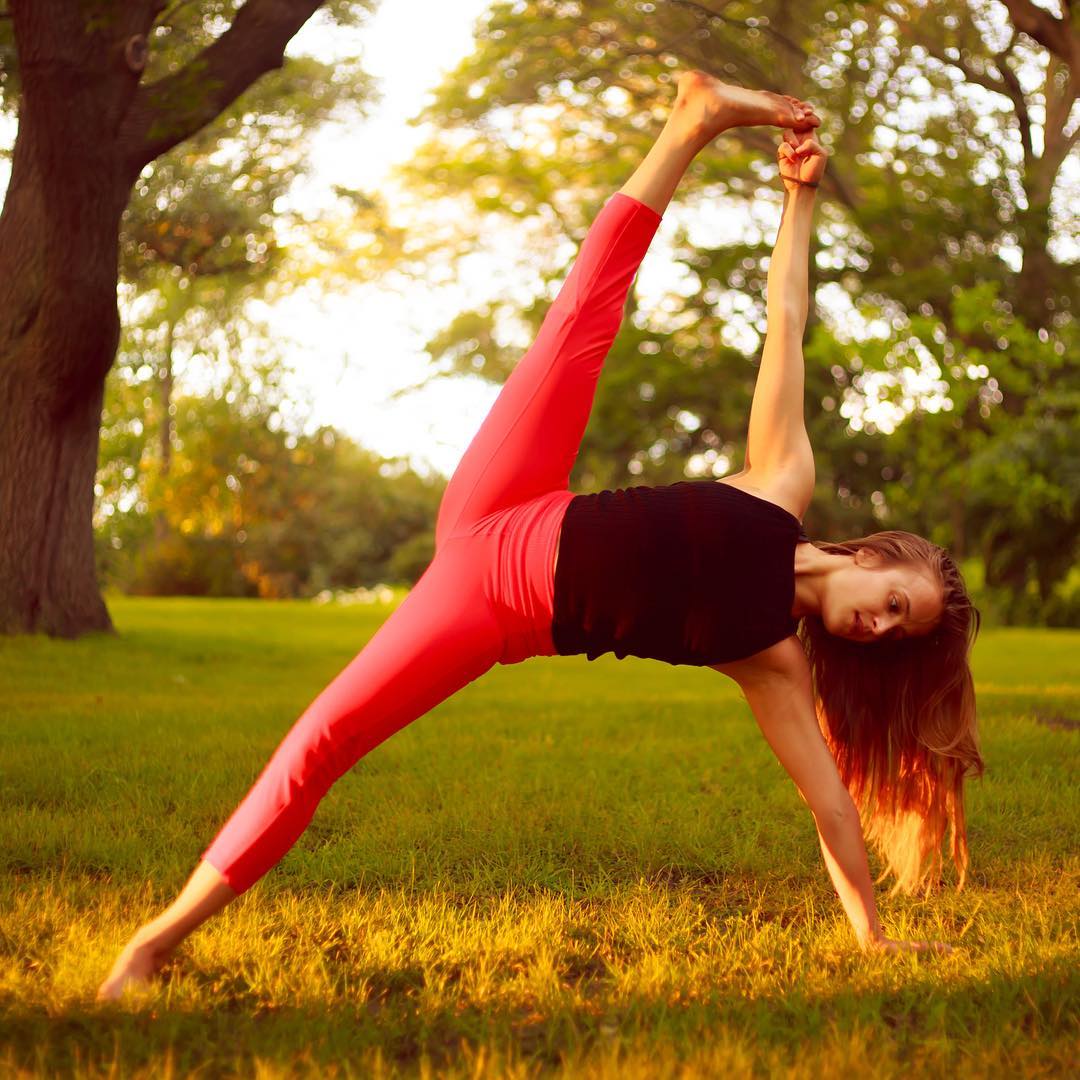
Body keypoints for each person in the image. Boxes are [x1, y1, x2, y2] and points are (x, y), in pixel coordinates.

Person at [98, 71, 982, 1001]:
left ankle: (151, 947)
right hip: (512, 495)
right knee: (583, 315)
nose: (880, 626)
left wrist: (871, 936)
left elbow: (829, 806)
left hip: (488, 605)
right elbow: (787, 321)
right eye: (894, 603)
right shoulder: (781, 482)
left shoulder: (772, 662)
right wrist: (799, 200)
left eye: (897, 633)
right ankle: (693, 118)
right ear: (869, 558)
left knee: (326, 739)